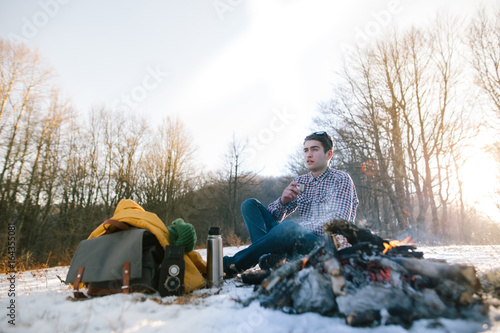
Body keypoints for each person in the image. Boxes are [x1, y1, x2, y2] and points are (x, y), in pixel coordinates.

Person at [223, 131, 359, 277]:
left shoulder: (341, 179)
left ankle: (233, 264)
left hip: (323, 246)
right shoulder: (302, 181)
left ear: (329, 154)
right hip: (294, 240)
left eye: (315, 149)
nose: (309, 155)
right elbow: (273, 218)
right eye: (306, 150)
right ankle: (269, 258)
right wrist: (283, 201)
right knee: (250, 205)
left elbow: (337, 223)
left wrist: (297, 229)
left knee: (290, 228)